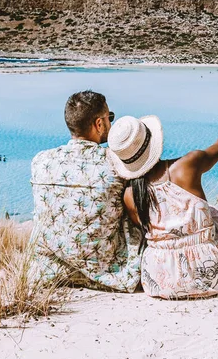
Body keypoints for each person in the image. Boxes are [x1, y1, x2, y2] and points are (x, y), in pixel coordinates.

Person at [107, 113, 218, 299]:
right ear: (153, 141)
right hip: (210, 276)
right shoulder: (187, 165)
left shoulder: (130, 195)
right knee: (212, 214)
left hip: (159, 281)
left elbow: (142, 228)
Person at [29, 91, 142, 292]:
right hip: (107, 271)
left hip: (48, 271)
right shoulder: (115, 163)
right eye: (110, 118)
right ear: (99, 124)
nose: (111, 124)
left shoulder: (40, 161)